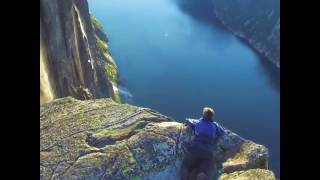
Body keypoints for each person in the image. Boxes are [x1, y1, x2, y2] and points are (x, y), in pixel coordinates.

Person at [180, 107, 225, 180]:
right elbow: (222, 132)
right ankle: (201, 173)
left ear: (204, 114)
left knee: (186, 166)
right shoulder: (215, 125)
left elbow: (187, 120)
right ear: (212, 116)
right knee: (203, 171)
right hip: (208, 152)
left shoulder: (198, 122)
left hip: (195, 149)